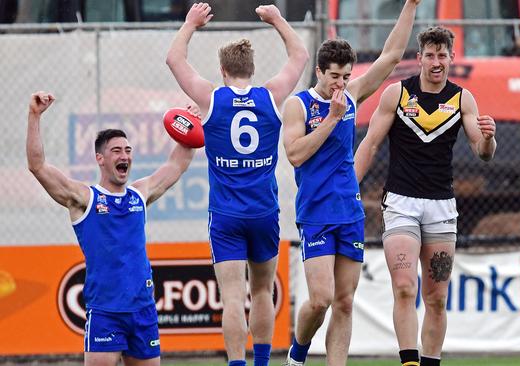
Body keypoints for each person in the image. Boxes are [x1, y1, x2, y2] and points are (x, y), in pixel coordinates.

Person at [165, 3, 309, 366]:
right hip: (263, 211)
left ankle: (236, 364)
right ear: (252, 69)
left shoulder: (211, 97)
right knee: (262, 290)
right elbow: (300, 55)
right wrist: (276, 19)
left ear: (224, 70)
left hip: (226, 214)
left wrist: (190, 24)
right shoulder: (270, 96)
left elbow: (173, 59)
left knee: (232, 297)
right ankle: (262, 363)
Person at [281, 1, 421, 365]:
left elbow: (390, 56)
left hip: (349, 210)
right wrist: (331, 119)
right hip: (315, 212)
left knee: (344, 302)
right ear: (319, 72)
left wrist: (411, 5)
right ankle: (297, 352)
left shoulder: (353, 94)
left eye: (346, 77)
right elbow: (295, 155)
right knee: (320, 299)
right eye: (334, 77)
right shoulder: (299, 105)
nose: (341, 84)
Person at [354, 26, 497, 366]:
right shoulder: (397, 95)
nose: (436, 62)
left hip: (441, 208)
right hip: (401, 204)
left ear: (451, 57)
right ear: (419, 58)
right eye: (430, 55)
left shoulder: (463, 98)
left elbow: (482, 151)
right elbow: (370, 144)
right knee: (404, 287)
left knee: (436, 298)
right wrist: (348, 189)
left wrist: (490, 138)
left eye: (442, 55)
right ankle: (409, 363)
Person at [26, 92, 197, 366]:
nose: (124, 156)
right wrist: (34, 115)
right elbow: (38, 166)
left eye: (128, 151)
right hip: (106, 311)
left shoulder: (140, 194)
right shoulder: (83, 198)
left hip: (143, 310)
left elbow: (177, 163)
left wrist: (190, 122)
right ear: (100, 159)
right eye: (116, 151)